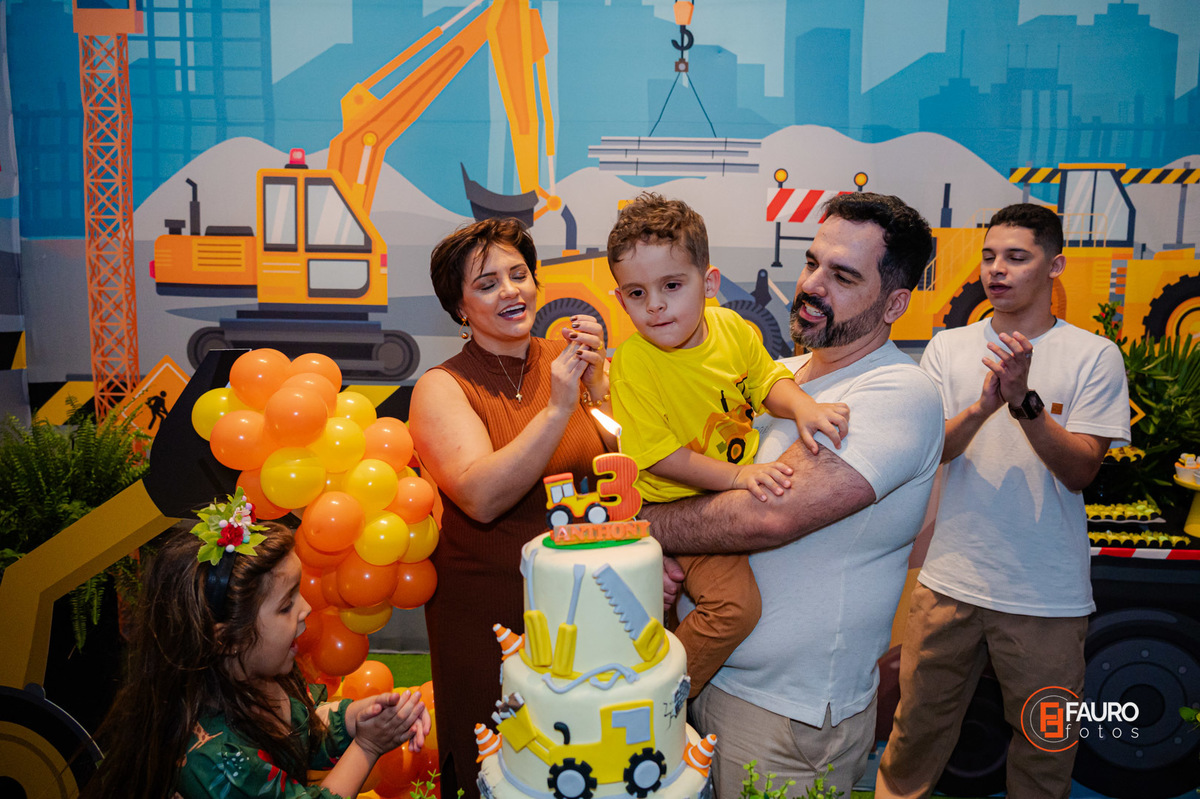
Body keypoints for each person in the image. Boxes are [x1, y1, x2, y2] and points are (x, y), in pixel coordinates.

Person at [640, 192, 944, 797]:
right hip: (709, 684)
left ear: (895, 302)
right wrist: (672, 556)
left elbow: (766, 516)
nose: (811, 285)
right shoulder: (778, 378)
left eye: (843, 276)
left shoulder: (896, 393)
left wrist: (646, 524)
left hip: (787, 716)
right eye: (812, 262)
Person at [875, 204, 1131, 799]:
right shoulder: (949, 347)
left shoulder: (1094, 356)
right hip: (949, 583)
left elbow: (1081, 470)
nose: (997, 269)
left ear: (1055, 266)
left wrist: (1024, 402)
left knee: (1045, 754)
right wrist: (984, 406)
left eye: (1017, 257)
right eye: (989, 256)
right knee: (913, 738)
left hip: (1048, 596)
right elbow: (932, 450)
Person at [605, 192, 849, 697]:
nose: (655, 305)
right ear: (620, 298)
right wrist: (737, 476)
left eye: (672, 285)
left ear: (709, 283)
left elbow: (766, 382)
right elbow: (661, 457)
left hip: (719, 498)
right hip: (675, 505)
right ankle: (659, 699)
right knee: (734, 607)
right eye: (636, 293)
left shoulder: (733, 328)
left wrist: (803, 406)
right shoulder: (633, 361)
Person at [408, 217, 613, 799]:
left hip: (581, 606)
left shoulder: (570, 361)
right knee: (500, 768)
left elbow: (620, 470)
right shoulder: (443, 386)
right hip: (489, 616)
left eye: (518, 274)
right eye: (487, 283)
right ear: (459, 308)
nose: (510, 291)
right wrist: (558, 408)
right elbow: (481, 496)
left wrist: (600, 390)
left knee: (586, 762)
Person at [82, 493, 431, 799]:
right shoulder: (217, 760)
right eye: (286, 605)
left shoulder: (261, 678)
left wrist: (357, 719)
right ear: (228, 640)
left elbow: (304, 732)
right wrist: (368, 746)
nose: (306, 608)